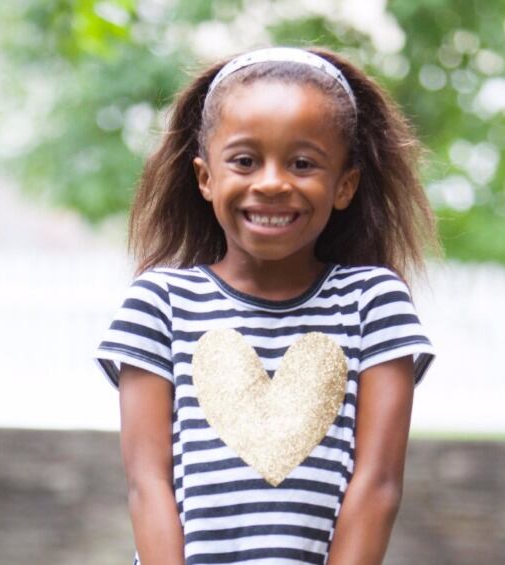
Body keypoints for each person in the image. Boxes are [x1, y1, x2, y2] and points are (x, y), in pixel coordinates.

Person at [94, 46, 440, 564]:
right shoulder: (159, 305)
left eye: (302, 163)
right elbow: (149, 485)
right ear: (205, 177)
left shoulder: (373, 305)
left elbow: (377, 485)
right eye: (245, 161)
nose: (272, 182)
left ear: (344, 185)